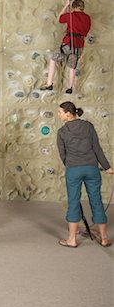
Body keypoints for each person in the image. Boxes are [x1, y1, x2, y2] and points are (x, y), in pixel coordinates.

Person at [57, 101, 113, 248]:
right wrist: (107, 167)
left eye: (60, 112)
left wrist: (71, 165)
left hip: (73, 169)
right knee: (96, 200)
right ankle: (104, 238)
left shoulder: (62, 132)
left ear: (68, 113)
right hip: (92, 169)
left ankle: (72, 240)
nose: (59, 115)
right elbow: (97, 148)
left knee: (73, 202)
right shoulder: (88, 126)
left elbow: (62, 155)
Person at [40, 0, 91, 94]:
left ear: (74, 7)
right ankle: (69, 88)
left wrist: (66, 5)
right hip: (79, 45)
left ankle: (49, 84)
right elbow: (86, 31)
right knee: (72, 67)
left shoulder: (71, 15)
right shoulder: (87, 18)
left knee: (53, 60)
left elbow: (59, 18)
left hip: (68, 42)